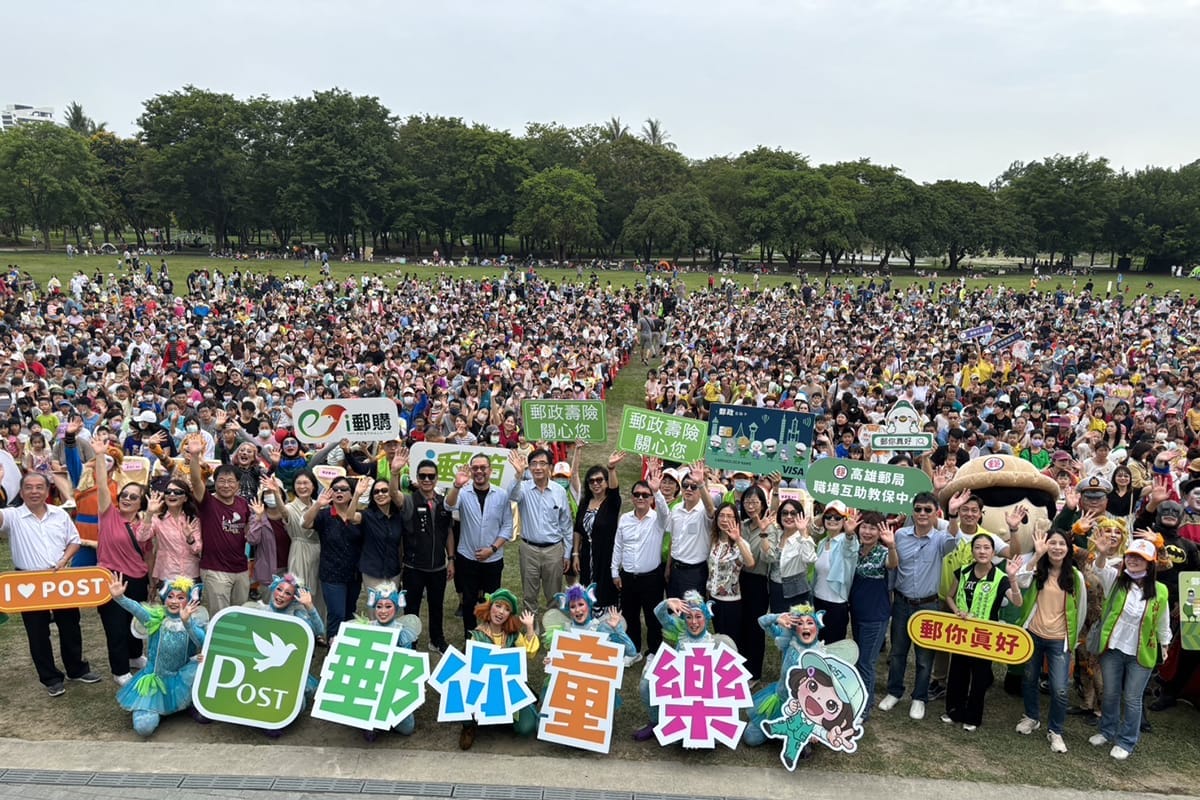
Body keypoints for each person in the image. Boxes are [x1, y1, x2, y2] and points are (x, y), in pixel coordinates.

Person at [0, 471, 101, 695]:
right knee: (37, 632)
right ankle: (50, 678)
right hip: (28, 581)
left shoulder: (59, 514)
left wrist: (64, 559)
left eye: (39, 487)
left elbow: (74, 540)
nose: (34, 491)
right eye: (29, 487)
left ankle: (77, 669)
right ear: (21, 491)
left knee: (70, 625)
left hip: (60, 578)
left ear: (47, 491)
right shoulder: (13, 516)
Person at [1089, 538, 1171, 760]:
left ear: (1150, 563)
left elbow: (1162, 621)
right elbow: (1098, 568)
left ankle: (1126, 741)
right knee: (1111, 693)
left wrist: (1165, 644)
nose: (1133, 560)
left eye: (1140, 558)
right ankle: (1107, 731)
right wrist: (1103, 553)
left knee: (1133, 698)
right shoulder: (1116, 582)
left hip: (1140, 652)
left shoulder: (1160, 591)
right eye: (1131, 556)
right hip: (1113, 648)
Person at [878, 491, 957, 721]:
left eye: (928, 510)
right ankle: (894, 692)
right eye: (918, 509)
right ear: (913, 511)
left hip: (928, 605)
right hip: (902, 602)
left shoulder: (941, 538)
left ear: (936, 513)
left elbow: (953, 538)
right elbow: (893, 565)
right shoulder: (900, 535)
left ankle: (919, 697)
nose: (922, 513)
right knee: (898, 651)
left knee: (924, 657)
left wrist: (953, 513)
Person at [1014, 527, 1087, 752]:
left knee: (1060, 688)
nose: (1056, 548)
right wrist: (1037, 554)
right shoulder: (1038, 570)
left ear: (1068, 548)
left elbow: (1081, 609)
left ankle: (1055, 730)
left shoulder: (1075, 577)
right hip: (1033, 634)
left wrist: (1072, 639)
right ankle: (1032, 717)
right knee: (1029, 679)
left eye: (1061, 544)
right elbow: (1020, 581)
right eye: (1052, 543)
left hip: (1059, 640)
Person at [106, 574, 205, 737]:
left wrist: (187, 622)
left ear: (189, 601)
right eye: (170, 596)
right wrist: (120, 598)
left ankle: (190, 703)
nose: (174, 601)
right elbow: (137, 609)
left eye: (180, 597)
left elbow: (201, 641)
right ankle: (155, 707)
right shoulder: (156, 618)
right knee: (144, 727)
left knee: (202, 664)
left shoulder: (194, 621)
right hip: (155, 679)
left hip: (182, 678)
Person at [941, 534, 1022, 731]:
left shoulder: (1000, 577)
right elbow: (949, 597)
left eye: (987, 548)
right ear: (972, 551)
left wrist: (1012, 578)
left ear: (993, 553)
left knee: (979, 676)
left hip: (985, 636)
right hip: (962, 632)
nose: (982, 551)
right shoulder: (963, 572)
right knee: (958, 672)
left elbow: (1018, 602)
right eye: (978, 547)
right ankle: (954, 711)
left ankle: (973, 717)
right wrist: (956, 611)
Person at [92, 448, 153, 687]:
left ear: (142, 502)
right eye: (124, 495)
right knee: (115, 626)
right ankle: (119, 669)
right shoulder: (108, 515)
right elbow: (102, 487)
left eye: (133, 497)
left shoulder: (145, 523)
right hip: (111, 578)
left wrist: (151, 581)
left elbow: (148, 552)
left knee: (134, 622)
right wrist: (99, 456)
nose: (127, 499)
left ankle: (135, 656)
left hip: (138, 578)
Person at [185, 437, 261, 613]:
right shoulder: (207, 502)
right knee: (219, 618)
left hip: (240, 569)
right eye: (221, 481)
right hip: (215, 570)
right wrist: (195, 456)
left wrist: (258, 518)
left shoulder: (243, 504)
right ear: (215, 482)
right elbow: (196, 482)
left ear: (238, 485)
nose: (226, 485)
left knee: (238, 614)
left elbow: (249, 533)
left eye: (230, 481)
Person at [459, 589, 538, 750]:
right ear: (490, 607)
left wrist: (529, 628)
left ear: (510, 615)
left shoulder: (513, 636)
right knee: (463, 693)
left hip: (507, 689)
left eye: (507, 609)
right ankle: (469, 726)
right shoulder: (476, 636)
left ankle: (504, 717)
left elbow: (529, 653)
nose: (501, 612)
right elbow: (467, 673)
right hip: (483, 690)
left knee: (526, 728)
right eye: (498, 606)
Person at [632, 590, 717, 741]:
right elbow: (659, 614)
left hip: (700, 694)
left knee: (683, 740)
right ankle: (655, 722)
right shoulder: (680, 631)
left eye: (698, 617)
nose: (693, 622)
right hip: (677, 684)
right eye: (689, 617)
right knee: (646, 683)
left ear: (706, 617)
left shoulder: (712, 642)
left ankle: (700, 730)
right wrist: (667, 603)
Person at [445, 454, 513, 637]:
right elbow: (448, 505)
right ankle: (470, 636)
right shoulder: (463, 492)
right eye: (475, 468)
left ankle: (491, 635)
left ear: (490, 471)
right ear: (471, 471)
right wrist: (457, 485)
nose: (479, 471)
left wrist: (492, 549)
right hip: (468, 557)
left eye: (483, 467)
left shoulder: (501, 494)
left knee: (493, 601)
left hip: (493, 558)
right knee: (469, 601)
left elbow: (507, 526)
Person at [507, 449, 573, 625]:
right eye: (533, 464)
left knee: (554, 595)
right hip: (529, 549)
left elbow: (566, 524)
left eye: (542, 463)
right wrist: (518, 475)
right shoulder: (524, 488)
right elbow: (511, 495)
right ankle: (532, 632)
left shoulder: (559, 491)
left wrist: (567, 554)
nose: (537, 468)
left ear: (550, 467)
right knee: (529, 596)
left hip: (553, 550)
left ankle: (552, 631)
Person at [302, 475, 371, 641]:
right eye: (336, 489)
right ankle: (331, 650)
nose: (339, 492)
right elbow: (305, 524)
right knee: (336, 614)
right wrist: (318, 504)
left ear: (351, 492)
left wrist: (357, 496)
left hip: (354, 573)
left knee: (349, 613)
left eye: (344, 489)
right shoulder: (324, 515)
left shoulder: (359, 516)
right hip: (331, 574)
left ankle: (345, 649)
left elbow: (350, 517)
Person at [612, 469, 670, 658]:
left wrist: (657, 491)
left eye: (645, 495)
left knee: (653, 617)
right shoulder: (625, 519)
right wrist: (615, 571)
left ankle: (654, 651)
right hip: (628, 576)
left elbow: (666, 515)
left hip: (651, 577)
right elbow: (618, 546)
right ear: (632, 497)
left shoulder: (657, 519)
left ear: (651, 498)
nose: (641, 498)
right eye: (637, 494)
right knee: (630, 615)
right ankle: (633, 650)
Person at [398, 458, 454, 653]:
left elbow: (448, 532)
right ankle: (410, 641)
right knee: (411, 607)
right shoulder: (409, 500)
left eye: (431, 476)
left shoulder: (443, 503)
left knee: (436, 605)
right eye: (423, 476)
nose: (427, 479)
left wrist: (451, 559)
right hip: (414, 567)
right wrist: (395, 473)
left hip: (438, 566)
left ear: (437, 478)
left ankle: (436, 639)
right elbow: (393, 495)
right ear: (417, 478)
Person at [849, 511, 896, 719]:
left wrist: (892, 545)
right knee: (860, 658)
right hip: (857, 614)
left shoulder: (883, 552)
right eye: (864, 527)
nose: (867, 532)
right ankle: (857, 697)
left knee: (867, 661)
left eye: (873, 528)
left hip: (875, 616)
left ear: (880, 532)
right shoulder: (855, 549)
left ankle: (864, 708)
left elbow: (893, 564)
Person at [362, 582, 421, 742]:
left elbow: (407, 665)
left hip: (393, 685)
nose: (383, 611)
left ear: (396, 608)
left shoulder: (403, 632)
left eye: (388, 606)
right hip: (370, 683)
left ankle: (384, 715)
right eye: (379, 606)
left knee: (407, 728)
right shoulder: (365, 628)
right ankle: (370, 718)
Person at [573, 452, 625, 610]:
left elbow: (615, 489)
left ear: (606, 482)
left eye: (600, 480)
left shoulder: (611, 503)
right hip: (587, 553)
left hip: (606, 553)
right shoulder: (585, 502)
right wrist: (575, 553)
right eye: (592, 481)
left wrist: (611, 468)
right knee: (587, 587)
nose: (596, 483)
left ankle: (607, 619)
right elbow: (578, 529)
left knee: (605, 589)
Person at [664, 460, 716, 598]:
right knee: (674, 612)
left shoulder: (704, 511)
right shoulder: (675, 509)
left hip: (695, 572)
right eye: (685, 485)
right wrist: (668, 567)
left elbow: (711, 509)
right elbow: (673, 541)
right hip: (675, 569)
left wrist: (701, 483)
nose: (688, 489)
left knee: (692, 614)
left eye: (693, 487)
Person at [810, 499, 858, 643]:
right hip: (818, 601)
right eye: (828, 517)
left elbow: (851, 550)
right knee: (816, 645)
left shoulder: (845, 541)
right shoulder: (823, 542)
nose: (832, 520)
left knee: (832, 647)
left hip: (836, 605)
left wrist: (850, 534)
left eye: (837, 517)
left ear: (844, 521)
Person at [706, 502, 755, 638]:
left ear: (736, 520)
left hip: (731, 601)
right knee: (718, 636)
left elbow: (750, 563)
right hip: (713, 598)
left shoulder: (741, 544)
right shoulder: (714, 541)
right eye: (721, 516)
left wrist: (738, 539)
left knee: (731, 640)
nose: (725, 520)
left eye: (729, 516)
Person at [773, 499, 815, 611]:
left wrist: (803, 533)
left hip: (797, 593)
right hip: (775, 589)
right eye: (785, 513)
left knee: (796, 626)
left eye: (793, 513)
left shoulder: (803, 539)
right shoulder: (776, 536)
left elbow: (810, 559)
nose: (789, 516)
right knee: (778, 626)